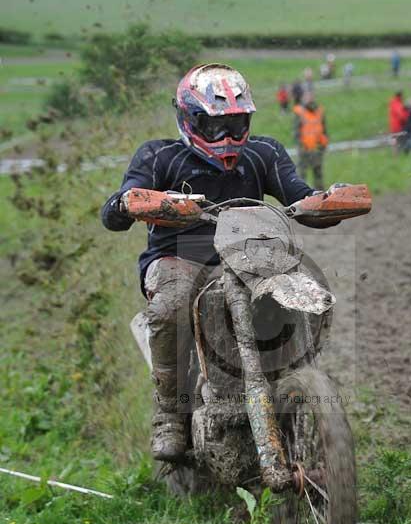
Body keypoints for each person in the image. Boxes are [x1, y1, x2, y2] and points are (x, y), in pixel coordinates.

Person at [101, 64, 339, 464]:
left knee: (305, 293)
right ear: (188, 119)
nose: (227, 137)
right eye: (214, 127)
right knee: (169, 307)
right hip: (179, 257)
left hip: (252, 257)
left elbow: (297, 193)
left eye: (236, 124)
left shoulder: (265, 152)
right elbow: (120, 206)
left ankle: (294, 384)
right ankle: (170, 412)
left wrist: (327, 202)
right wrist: (128, 202)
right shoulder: (158, 156)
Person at [293, 91, 328, 190]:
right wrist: (300, 146)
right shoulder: (299, 111)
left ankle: (320, 197)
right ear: (303, 98)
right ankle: (302, 196)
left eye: (311, 96)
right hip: (304, 148)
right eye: (307, 97)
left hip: (318, 148)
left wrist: (324, 144)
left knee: (318, 175)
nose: (310, 99)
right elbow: (296, 131)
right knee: (302, 175)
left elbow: (324, 129)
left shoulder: (319, 111)